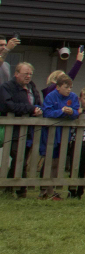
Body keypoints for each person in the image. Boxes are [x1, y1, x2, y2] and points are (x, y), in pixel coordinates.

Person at [1, 62, 43, 195]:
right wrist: (30, 109)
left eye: (30, 74)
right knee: (18, 157)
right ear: (16, 74)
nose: (28, 76)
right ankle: (21, 189)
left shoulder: (32, 87)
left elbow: (38, 103)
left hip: (29, 130)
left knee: (22, 158)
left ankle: (9, 188)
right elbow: (8, 105)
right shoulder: (7, 87)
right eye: (26, 74)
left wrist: (38, 109)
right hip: (12, 130)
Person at [40, 75, 79, 200]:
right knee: (49, 161)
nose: (69, 90)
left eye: (70, 87)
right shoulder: (51, 96)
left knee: (58, 162)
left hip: (64, 134)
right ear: (58, 87)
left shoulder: (73, 97)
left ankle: (52, 190)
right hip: (51, 134)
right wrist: (61, 111)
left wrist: (72, 112)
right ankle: (44, 190)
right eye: (66, 87)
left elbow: (77, 111)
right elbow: (47, 112)